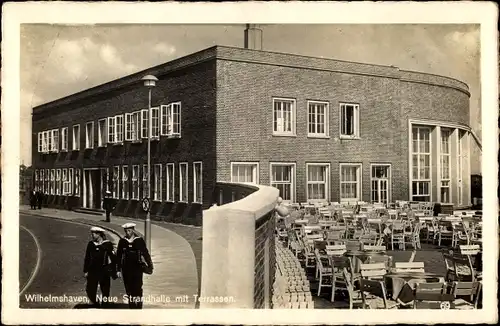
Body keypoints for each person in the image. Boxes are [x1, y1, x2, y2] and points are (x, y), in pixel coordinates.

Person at [116, 223, 153, 309]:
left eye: (129, 230)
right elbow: (118, 256)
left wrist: (150, 266)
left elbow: (145, 253)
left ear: (133, 230)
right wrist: (118, 269)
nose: (127, 233)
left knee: (137, 287)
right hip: (126, 269)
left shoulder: (139, 240)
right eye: (126, 231)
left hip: (137, 268)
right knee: (129, 288)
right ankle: (132, 306)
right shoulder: (122, 241)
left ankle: (139, 305)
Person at [83, 226, 117, 307]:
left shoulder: (107, 244)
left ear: (99, 234)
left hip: (104, 270)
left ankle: (105, 304)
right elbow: (87, 258)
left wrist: (114, 270)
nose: (92, 235)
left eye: (93, 234)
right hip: (93, 270)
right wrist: (86, 270)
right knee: (90, 289)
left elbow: (113, 258)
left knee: (105, 289)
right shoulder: (91, 244)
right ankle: (95, 302)